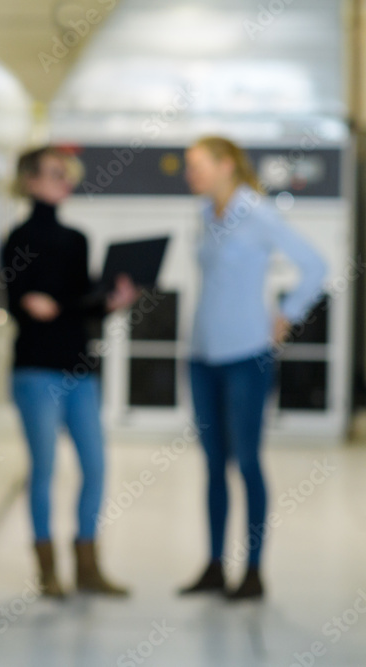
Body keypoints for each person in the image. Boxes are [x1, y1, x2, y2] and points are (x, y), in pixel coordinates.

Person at [180, 136, 326, 601]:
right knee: (212, 465)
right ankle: (215, 565)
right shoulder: (205, 216)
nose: (191, 175)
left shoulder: (258, 213)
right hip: (203, 355)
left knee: (247, 462)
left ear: (227, 166)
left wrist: (288, 315)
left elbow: (315, 265)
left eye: (198, 165)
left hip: (247, 355)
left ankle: (255, 570)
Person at [1, 147, 139, 598]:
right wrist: (40, 305)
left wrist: (110, 302)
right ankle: (48, 571)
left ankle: (87, 565)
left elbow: (81, 303)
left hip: (81, 368)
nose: (66, 182)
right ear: (31, 181)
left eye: (68, 175)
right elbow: (21, 303)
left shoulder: (77, 239)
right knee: (44, 469)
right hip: (36, 370)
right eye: (56, 174)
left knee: (95, 466)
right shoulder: (17, 239)